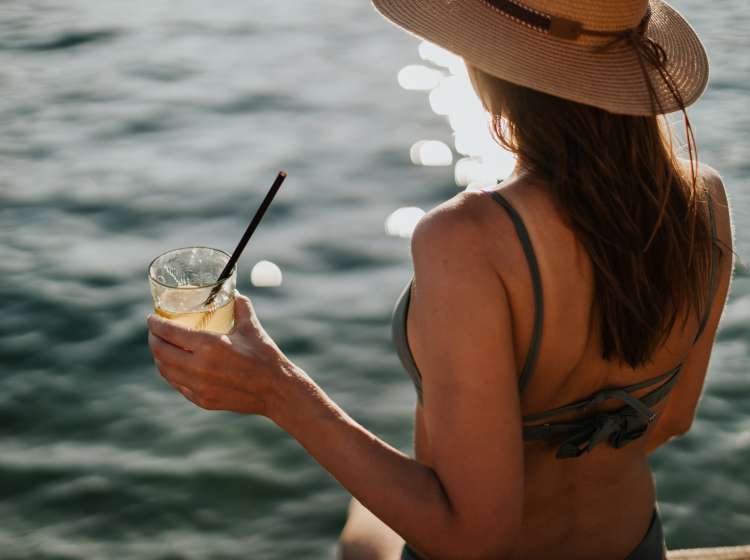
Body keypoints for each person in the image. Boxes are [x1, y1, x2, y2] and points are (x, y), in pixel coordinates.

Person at [146, 0, 736, 558]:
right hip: (634, 543)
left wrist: (275, 387)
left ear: (489, 66)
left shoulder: (468, 239)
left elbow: (475, 542)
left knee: (359, 534)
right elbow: (674, 417)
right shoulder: (700, 198)